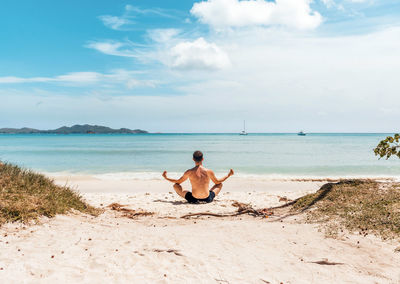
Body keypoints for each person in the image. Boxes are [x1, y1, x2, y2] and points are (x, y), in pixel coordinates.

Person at [162, 150, 234, 203]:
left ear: (193, 159)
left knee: (175, 185)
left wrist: (166, 178)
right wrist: (228, 175)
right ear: (203, 159)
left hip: (194, 199)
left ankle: (197, 197)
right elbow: (217, 182)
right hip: (207, 199)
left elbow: (178, 182)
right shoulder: (208, 171)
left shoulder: (189, 172)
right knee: (219, 184)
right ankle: (205, 194)